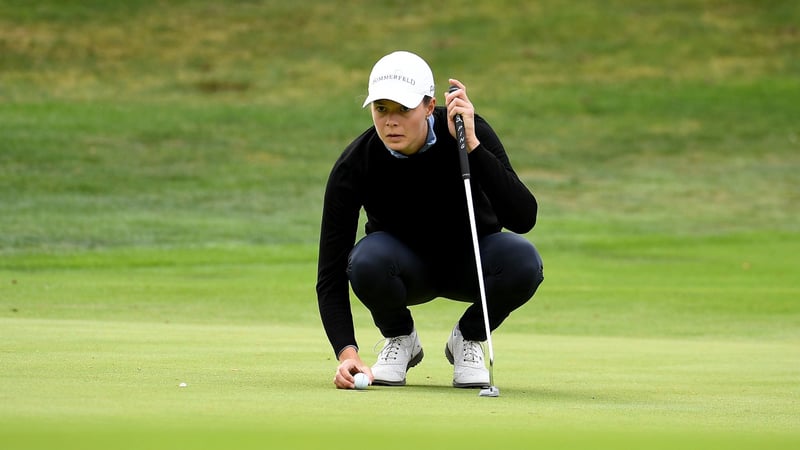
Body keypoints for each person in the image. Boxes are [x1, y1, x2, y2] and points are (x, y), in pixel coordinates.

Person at [316, 50, 544, 390]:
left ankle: (467, 338)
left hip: (472, 263)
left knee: (523, 260)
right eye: (381, 109)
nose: (391, 122)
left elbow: (523, 217)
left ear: (428, 106)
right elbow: (331, 273)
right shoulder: (356, 164)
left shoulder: (468, 133)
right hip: (404, 270)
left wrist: (473, 148)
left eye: (403, 110)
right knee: (365, 260)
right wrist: (347, 353)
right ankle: (401, 338)